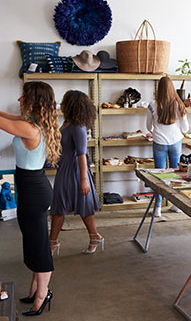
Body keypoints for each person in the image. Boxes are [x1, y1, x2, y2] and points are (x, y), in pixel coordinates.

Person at [0, 81, 61, 316]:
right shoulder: (34, 124)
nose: (19, 100)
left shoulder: (31, 129)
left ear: (34, 100)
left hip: (34, 192)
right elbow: (9, 116)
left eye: (23, 96)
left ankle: (42, 295)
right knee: (35, 242)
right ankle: (36, 289)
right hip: (31, 188)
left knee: (38, 246)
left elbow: (6, 123)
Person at [50, 90, 103, 254]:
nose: (61, 104)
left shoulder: (78, 127)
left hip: (75, 171)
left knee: (79, 205)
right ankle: (93, 236)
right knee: (62, 205)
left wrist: (84, 180)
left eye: (64, 101)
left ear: (72, 105)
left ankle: (52, 242)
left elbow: (82, 155)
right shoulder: (67, 123)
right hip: (65, 169)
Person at [146, 76, 189, 217]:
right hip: (176, 142)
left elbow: (148, 126)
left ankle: (157, 208)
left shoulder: (152, 104)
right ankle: (177, 206)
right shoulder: (178, 105)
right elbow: (186, 128)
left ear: (159, 88)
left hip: (159, 142)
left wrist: (156, 131)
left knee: (159, 176)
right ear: (172, 88)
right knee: (175, 175)